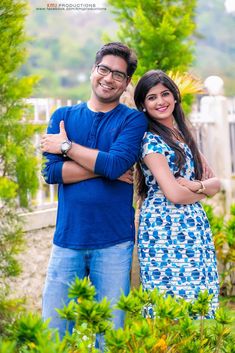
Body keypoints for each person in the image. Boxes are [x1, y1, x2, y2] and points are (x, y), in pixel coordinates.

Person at [40, 42, 147, 342]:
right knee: (54, 334)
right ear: (93, 71)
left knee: (110, 337)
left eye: (118, 74)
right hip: (67, 239)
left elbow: (116, 164)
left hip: (114, 243)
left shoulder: (132, 120)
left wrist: (66, 148)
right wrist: (105, 165)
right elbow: (51, 173)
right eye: (104, 69)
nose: (109, 78)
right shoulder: (63, 116)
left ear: (126, 83)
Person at [134, 70, 220, 318]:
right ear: (143, 105)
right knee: (169, 300)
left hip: (193, 227)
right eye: (152, 97)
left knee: (198, 296)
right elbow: (173, 194)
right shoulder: (151, 142)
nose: (160, 102)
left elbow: (215, 182)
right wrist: (201, 190)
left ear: (175, 97)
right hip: (164, 229)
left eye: (165, 94)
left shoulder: (183, 136)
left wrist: (196, 186)